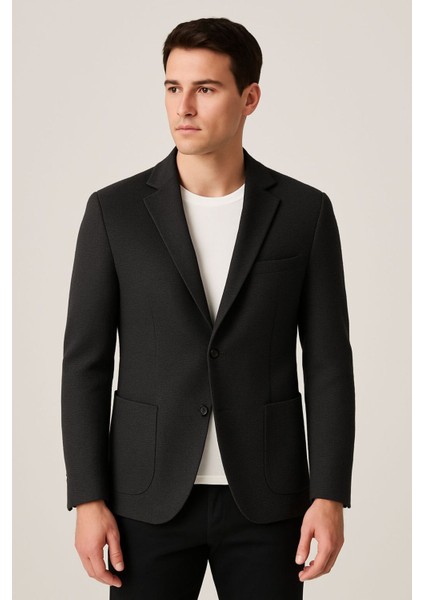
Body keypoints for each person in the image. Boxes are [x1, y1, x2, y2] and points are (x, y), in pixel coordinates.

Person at [61, 17, 355, 600]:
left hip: (269, 499)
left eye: (206, 88)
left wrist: (329, 494)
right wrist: (87, 498)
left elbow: (328, 363)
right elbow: (84, 364)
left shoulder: (305, 212)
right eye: (173, 87)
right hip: (146, 498)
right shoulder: (115, 212)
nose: (184, 106)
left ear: (250, 98)